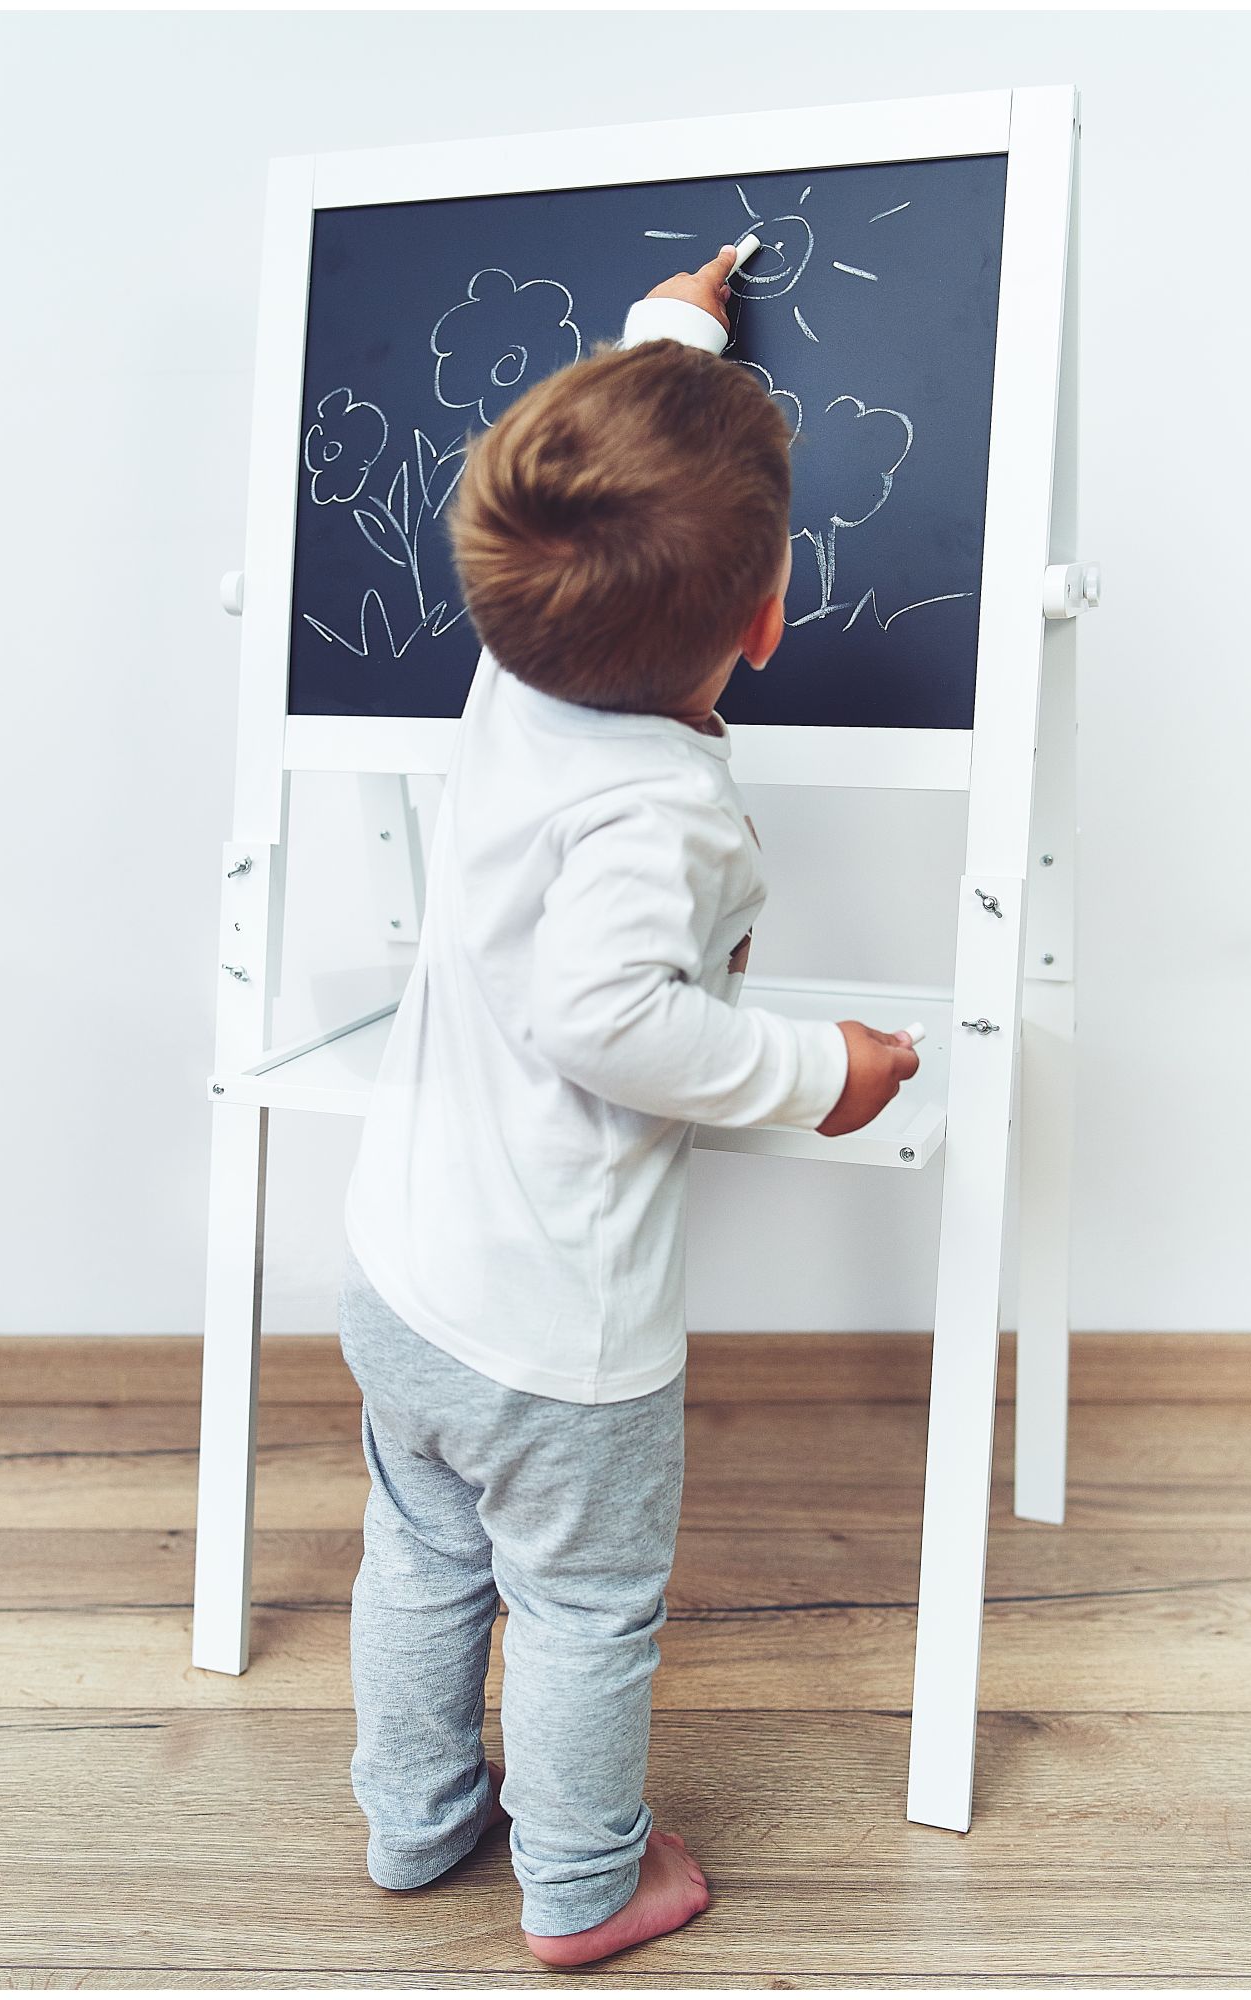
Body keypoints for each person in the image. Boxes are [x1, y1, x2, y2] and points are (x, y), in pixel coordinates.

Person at [338, 243, 920, 1967]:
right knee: (584, 1606)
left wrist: (669, 338)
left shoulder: (512, 678)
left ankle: (414, 1821)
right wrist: (820, 1075)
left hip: (403, 1271)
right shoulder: (661, 805)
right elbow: (607, 1017)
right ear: (766, 622)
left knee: (421, 1559)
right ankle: (587, 1884)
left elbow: (586, 495)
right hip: (551, 1336)